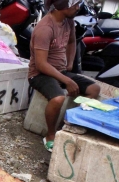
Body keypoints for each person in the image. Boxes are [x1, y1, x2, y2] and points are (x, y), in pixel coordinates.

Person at [28, 0, 101, 152]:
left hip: (60, 71)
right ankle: (50, 135)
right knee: (58, 98)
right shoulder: (45, 28)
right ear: (62, 5)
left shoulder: (68, 21)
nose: (77, 7)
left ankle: (68, 126)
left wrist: (69, 64)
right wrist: (66, 80)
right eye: (74, 4)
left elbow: (72, 42)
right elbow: (41, 64)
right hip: (40, 74)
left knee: (94, 89)